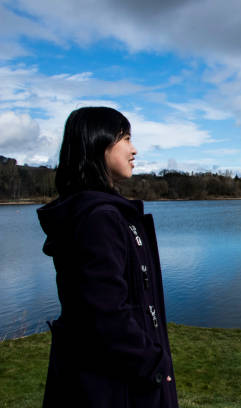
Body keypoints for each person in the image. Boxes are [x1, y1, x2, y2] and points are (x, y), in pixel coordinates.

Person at [37, 107, 179, 407]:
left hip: (123, 379)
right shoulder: (97, 219)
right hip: (114, 388)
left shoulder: (107, 213)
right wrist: (152, 363)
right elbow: (104, 312)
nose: (134, 149)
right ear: (98, 145)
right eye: (125, 138)